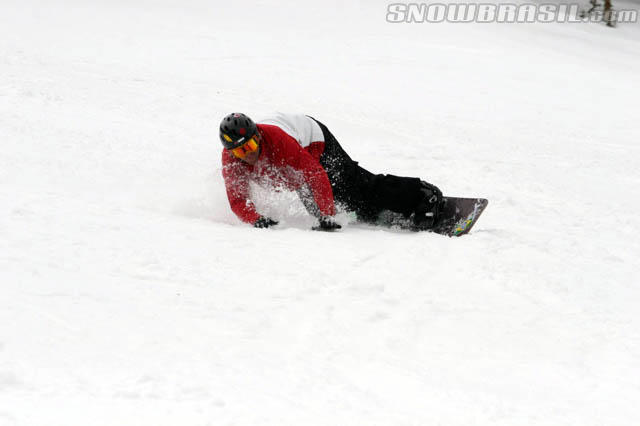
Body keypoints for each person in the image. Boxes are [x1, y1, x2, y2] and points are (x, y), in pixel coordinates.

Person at [219, 112, 443, 231]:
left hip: (315, 141)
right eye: (238, 152)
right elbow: (237, 200)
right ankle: (374, 211)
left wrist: (327, 214)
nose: (246, 155)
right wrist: (256, 219)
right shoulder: (232, 161)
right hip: (291, 165)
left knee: (354, 186)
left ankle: (421, 194)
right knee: (329, 204)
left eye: (248, 147)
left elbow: (314, 173)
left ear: (257, 136)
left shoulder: (277, 140)